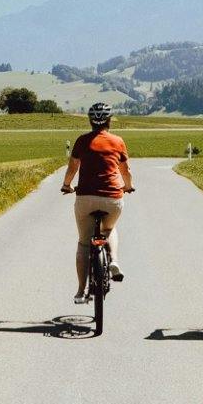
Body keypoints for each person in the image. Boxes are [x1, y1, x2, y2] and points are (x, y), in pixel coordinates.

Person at [62, 101, 131, 303]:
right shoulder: (118, 141)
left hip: (85, 198)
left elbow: (73, 167)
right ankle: (114, 261)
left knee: (84, 242)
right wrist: (128, 186)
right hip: (112, 198)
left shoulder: (82, 141)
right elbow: (125, 170)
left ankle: (80, 291)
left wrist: (66, 185)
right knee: (109, 228)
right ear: (109, 121)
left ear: (90, 121)